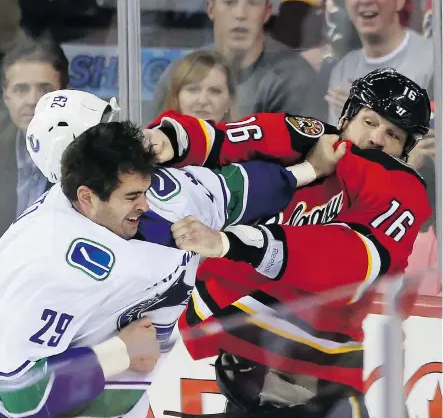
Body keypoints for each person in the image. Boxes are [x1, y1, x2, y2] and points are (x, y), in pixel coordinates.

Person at [0, 89, 342, 418]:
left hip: (139, 398)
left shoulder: (158, 191)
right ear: (86, 195)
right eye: (132, 196)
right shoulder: (39, 263)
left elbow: (235, 191)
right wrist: (118, 353)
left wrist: (311, 169)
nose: (145, 205)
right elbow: (17, 395)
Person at [145, 68, 432, 417]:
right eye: (369, 121)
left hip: (318, 373)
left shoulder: (402, 188)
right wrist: (172, 139)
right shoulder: (306, 135)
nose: (376, 138)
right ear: (346, 116)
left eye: (393, 134)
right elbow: (230, 140)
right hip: (232, 349)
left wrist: (237, 244)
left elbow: (350, 262)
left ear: (405, 150)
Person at [151, 0, 316, 120]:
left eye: (253, 3)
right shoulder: (180, 72)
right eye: (229, 2)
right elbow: (151, 149)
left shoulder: (294, 77)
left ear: (266, 12)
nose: (240, 14)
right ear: (210, 9)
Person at [326, 0, 433, 125]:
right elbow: (337, 144)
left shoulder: (433, 61)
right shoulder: (343, 70)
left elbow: (431, 144)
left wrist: (362, 111)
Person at [0, 33, 69, 235]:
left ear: (65, 93)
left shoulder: (88, 154)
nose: (32, 100)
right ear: (5, 96)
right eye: (21, 90)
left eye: (44, 90)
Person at [162, 50, 236, 123]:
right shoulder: (155, 134)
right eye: (193, 90)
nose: (203, 101)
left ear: (229, 101)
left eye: (215, 91)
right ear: (176, 96)